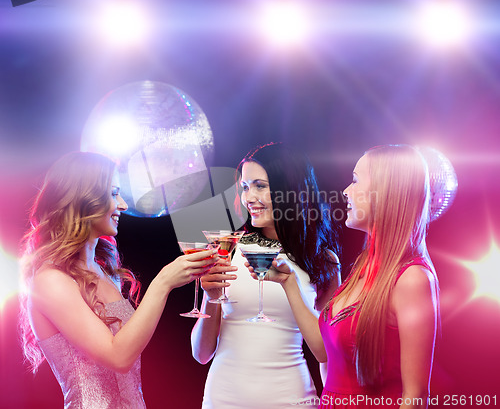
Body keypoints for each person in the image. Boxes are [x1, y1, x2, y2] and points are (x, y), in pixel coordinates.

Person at [19, 151, 218, 408]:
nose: (123, 205)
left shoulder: (105, 271)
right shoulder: (50, 281)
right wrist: (163, 282)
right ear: (83, 198)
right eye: (114, 194)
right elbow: (118, 357)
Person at [253, 144, 439, 408]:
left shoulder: (411, 279)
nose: (345, 191)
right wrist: (288, 282)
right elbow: (326, 353)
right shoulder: (362, 268)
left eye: (355, 180)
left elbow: (416, 397)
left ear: (386, 192)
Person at [190, 142, 342, 408]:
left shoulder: (324, 261)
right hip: (223, 400)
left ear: (289, 191)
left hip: (290, 399)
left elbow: (326, 354)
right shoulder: (228, 250)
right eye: (245, 187)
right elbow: (201, 353)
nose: (249, 197)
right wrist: (210, 297)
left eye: (260, 186)